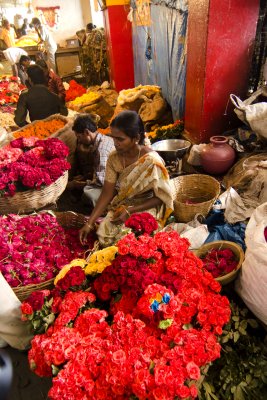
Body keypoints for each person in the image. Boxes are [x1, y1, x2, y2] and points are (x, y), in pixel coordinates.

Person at [79, 110, 173, 247]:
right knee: (103, 236)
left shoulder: (152, 161)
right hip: (123, 204)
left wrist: (131, 210)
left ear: (135, 138)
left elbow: (162, 196)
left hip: (147, 205)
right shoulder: (114, 158)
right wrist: (90, 222)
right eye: (113, 138)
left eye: (120, 139)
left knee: (128, 239)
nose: (115, 143)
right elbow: (107, 192)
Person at [69, 114, 114, 206]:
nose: (79, 141)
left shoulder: (101, 150)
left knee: (88, 193)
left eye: (79, 137)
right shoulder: (103, 138)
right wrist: (86, 176)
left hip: (115, 186)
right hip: (109, 176)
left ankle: (104, 208)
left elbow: (101, 182)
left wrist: (77, 185)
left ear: (86, 132)